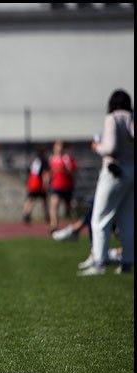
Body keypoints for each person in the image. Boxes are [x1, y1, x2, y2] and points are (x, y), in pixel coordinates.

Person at [79, 89, 134, 276]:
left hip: (114, 172)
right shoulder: (131, 118)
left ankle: (99, 262)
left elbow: (110, 147)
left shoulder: (112, 119)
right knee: (127, 219)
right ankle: (127, 261)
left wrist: (97, 147)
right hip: (132, 171)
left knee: (100, 218)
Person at [48, 140, 77, 232]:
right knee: (54, 204)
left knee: (69, 208)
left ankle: (76, 225)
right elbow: (49, 171)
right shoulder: (52, 158)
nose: (59, 148)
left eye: (60, 146)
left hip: (67, 186)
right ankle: (54, 225)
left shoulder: (67, 158)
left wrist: (64, 170)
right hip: (56, 186)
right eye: (57, 146)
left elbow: (73, 171)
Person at [21, 147, 50, 225]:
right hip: (39, 183)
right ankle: (47, 216)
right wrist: (46, 184)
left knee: (31, 199)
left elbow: (30, 172)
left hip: (32, 182)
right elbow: (45, 173)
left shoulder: (35, 160)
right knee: (44, 200)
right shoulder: (43, 161)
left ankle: (26, 213)